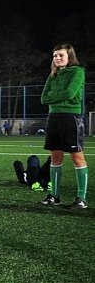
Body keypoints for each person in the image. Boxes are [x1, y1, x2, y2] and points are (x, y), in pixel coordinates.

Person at [40, 44, 88, 209]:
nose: (57, 58)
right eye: (55, 56)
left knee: (76, 157)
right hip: (53, 117)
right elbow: (43, 98)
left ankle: (81, 198)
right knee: (55, 157)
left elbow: (70, 93)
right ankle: (55, 196)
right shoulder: (52, 75)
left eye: (61, 55)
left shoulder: (78, 71)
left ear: (69, 57)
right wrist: (55, 97)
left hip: (71, 118)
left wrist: (53, 96)